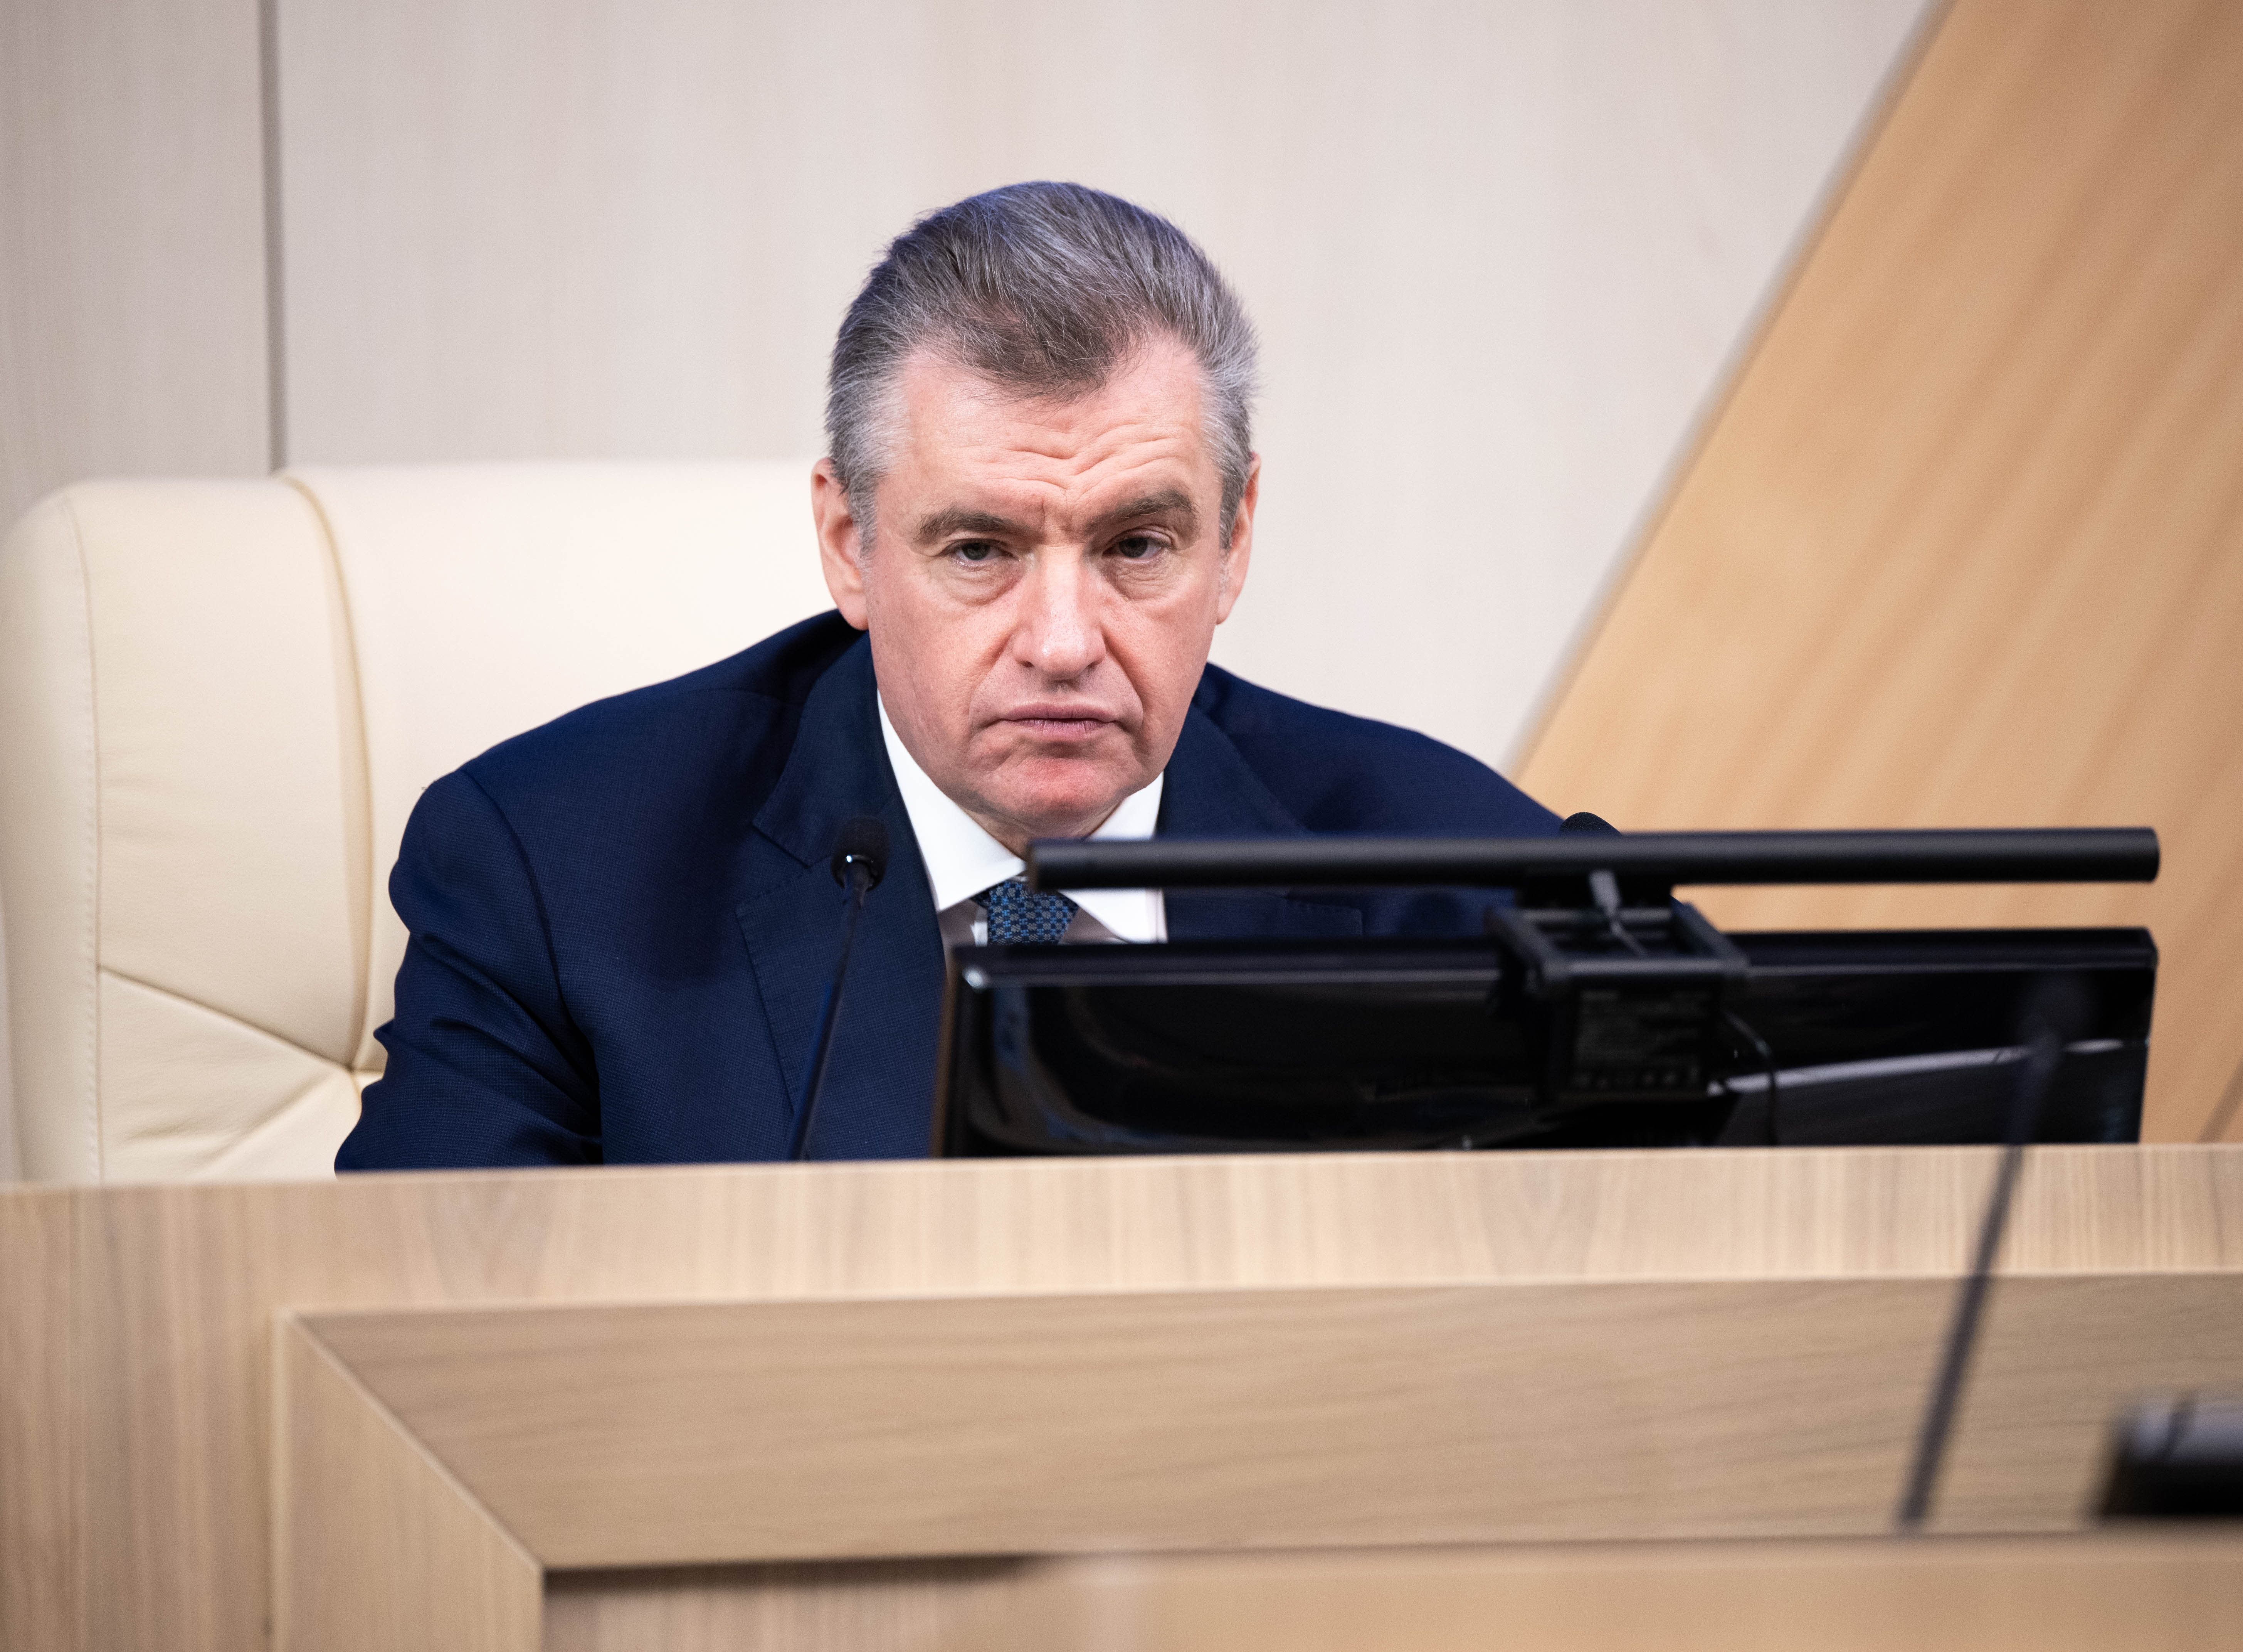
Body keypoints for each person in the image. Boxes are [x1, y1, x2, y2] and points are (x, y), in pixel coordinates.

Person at [337, 182, 1562, 1170]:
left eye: (1137, 546)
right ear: (849, 545)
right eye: (980, 550)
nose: (1064, 643)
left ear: (1234, 543)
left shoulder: (1463, 881)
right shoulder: (557, 877)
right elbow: (422, 1329)